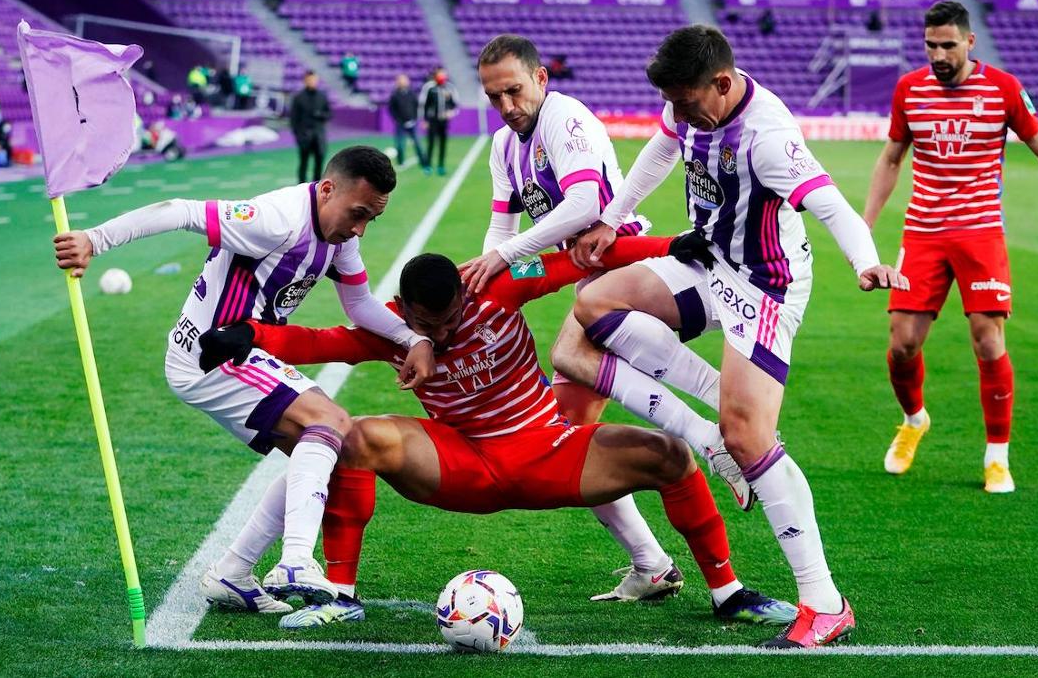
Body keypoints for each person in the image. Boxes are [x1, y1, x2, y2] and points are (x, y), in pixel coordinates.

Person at [197, 237, 797, 630]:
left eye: (451, 317)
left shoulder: (499, 285)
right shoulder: (391, 327)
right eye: (429, 324)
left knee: (668, 453)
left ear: (464, 292)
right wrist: (250, 335)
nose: (443, 332)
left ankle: (728, 593)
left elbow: (579, 260)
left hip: (548, 449)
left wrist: (667, 246)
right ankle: (340, 594)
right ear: (404, 308)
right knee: (355, 436)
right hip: (459, 461)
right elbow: (321, 341)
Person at [568, 24, 907, 648]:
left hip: (765, 285)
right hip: (709, 260)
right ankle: (721, 412)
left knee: (750, 438)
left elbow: (832, 206)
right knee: (596, 304)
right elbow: (661, 150)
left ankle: (824, 602)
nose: (678, 114)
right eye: (670, 102)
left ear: (722, 84)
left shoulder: (767, 137)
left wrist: (867, 262)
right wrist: (612, 219)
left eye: (686, 102)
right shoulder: (688, 106)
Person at [52, 146, 436, 610]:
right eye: (358, 214)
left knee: (331, 450)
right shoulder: (276, 220)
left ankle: (232, 573)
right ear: (327, 189)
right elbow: (181, 210)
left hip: (243, 351)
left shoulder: (340, 238)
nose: (360, 229)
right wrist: (94, 239)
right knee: (330, 421)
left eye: (370, 219)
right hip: (211, 353)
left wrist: (413, 339)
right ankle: (295, 561)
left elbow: (359, 305)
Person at [460, 34, 754, 603]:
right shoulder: (503, 145)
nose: (506, 106)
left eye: (514, 91)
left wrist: (506, 257)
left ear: (541, 78)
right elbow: (500, 229)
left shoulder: (564, 119)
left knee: (568, 357)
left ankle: (718, 436)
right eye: (494, 97)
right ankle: (652, 564)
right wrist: (487, 287)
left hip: (626, 267)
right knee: (568, 439)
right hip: (587, 277)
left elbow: (585, 207)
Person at [862, 0, 1038, 494]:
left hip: (980, 232)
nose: (938, 55)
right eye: (930, 45)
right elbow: (892, 158)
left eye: (948, 45)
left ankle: (997, 457)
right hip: (923, 231)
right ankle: (914, 420)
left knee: (988, 339)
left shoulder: (1002, 88)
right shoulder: (910, 89)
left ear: (969, 42)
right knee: (902, 344)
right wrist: (864, 226)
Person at [290, 71, 331, 183]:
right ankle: (301, 186)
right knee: (303, 163)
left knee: (319, 163)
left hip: (319, 136)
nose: (312, 82)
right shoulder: (299, 97)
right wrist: (298, 136)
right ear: (305, 81)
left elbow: (329, 114)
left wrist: (320, 115)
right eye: (310, 80)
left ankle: (317, 187)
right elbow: (294, 119)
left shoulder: (322, 96)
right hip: (304, 136)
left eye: (314, 80)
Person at [419, 68, 458, 175]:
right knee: (431, 143)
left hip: (444, 121)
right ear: (436, 75)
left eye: (443, 74)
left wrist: (451, 112)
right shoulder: (429, 87)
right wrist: (425, 120)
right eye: (440, 74)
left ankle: (441, 166)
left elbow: (455, 104)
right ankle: (428, 166)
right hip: (432, 120)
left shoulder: (450, 88)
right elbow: (424, 104)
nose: (442, 76)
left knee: (442, 143)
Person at [387, 74, 425, 168]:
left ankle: (423, 162)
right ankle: (401, 162)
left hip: (412, 123)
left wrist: (414, 119)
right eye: (401, 80)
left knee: (418, 143)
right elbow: (391, 109)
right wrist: (397, 120)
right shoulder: (395, 95)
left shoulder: (412, 94)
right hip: (400, 124)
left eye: (404, 80)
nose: (403, 82)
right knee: (400, 144)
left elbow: (416, 106)